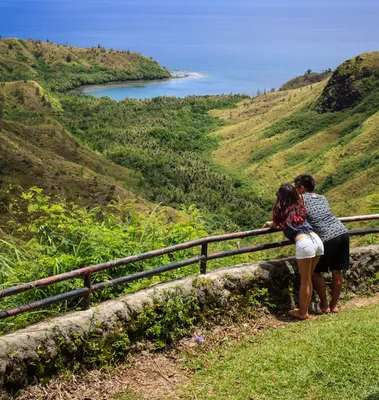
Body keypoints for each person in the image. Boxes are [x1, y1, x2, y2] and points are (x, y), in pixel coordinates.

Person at [264, 183, 324, 320]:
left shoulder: (281, 210)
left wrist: (269, 224)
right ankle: (304, 309)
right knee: (308, 278)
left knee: (305, 280)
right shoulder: (299, 207)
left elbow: (275, 224)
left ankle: (302, 313)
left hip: (304, 243)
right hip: (316, 239)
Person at [294, 174, 349, 314]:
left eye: (295, 188)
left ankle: (324, 305)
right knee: (337, 271)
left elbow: (297, 220)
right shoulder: (322, 197)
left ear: (301, 188)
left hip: (326, 237)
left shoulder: (300, 200)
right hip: (342, 232)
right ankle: (334, 305)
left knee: (314, 272)